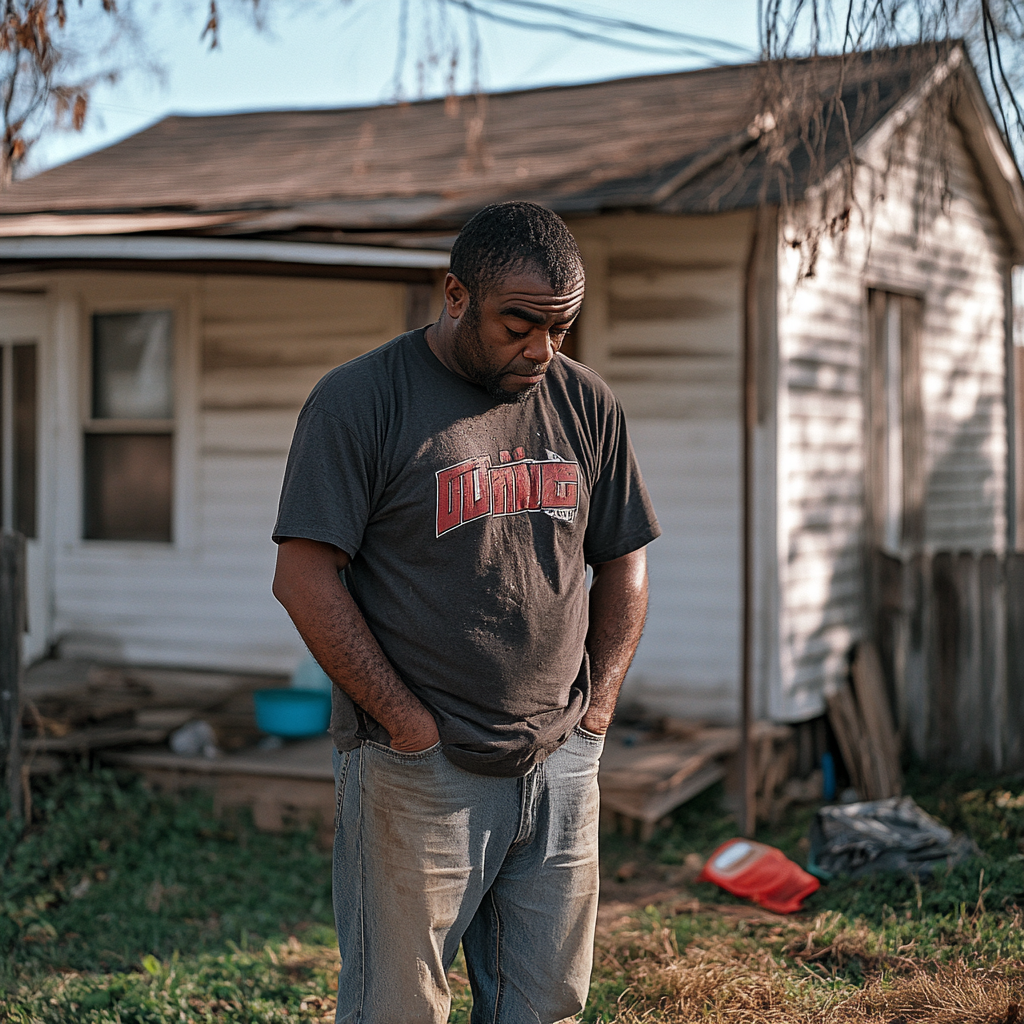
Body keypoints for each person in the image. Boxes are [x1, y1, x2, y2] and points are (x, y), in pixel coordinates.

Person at [272, 201, 660, 1024]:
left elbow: (624, 559)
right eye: (519, 325)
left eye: (561, 328)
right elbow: (304, 578)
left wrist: (597, 716)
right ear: (455, 295)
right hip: (421, 770)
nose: (542, 349)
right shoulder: (360, 401)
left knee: (545, 1003)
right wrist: (407, 726)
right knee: (399, 1010)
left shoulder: (585, 402)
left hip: (559, 759)